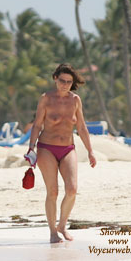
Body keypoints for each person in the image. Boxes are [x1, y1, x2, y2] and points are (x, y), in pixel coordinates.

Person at [25, 63, 97, 244]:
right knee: (53, 191)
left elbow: (81, 127)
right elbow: (37, 125)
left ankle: (62, 225)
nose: (65, 84)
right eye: (62, 80)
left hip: (68, 148)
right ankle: (52, 232)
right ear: (55, 79)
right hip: (46, 148)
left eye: (69, 82)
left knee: (72, 189)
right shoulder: (46, 99)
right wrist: (31, 147)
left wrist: (90, 151)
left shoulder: (75, 100)